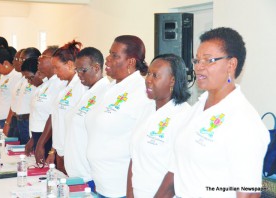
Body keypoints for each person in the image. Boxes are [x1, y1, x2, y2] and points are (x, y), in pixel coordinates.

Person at [155, 27, 270, 198]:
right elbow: (176, 170)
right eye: (197, 60)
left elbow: (248, 194)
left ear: (231, 64)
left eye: (208, 60)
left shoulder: (244, 121)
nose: (199, 67)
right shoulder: (196, 109)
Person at [85, 35, 152, 197]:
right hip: (100, 181)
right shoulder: (111, 87)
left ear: (130, 62)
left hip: (121, 186)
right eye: (109, 54)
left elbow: (142, 146)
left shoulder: (142, 92)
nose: (107, 59)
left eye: (115, 56)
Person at [127, 54, 191, 198]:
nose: (148, 80)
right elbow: (134, 159)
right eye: (148, 73)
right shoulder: (146, 109)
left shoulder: (184, 116)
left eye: (155, 75)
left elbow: (175, 175)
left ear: (172, 80)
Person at [64, 47, 110, 191]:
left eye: (82, 70)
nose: (78, 75)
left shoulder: (105, 93)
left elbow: (104, 138)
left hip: (90, 176)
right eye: (76, 70)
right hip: (76, 172)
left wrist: (97, 176)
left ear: (96, 68)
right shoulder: (88, 91)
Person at [45, 40, 87, 174]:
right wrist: (53, 151)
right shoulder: (65, 86)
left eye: (56, 67)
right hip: (61, 151)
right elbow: (57, 120)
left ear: (69, 65)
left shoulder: (81, 87)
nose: (54, 71)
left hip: (73, 153)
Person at [29, 47, 66, 163]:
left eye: (43, 56)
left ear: (53, 60)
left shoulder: (59, 83)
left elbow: (53, 115)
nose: (39, 58)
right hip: (38, 136)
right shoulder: (46, 83)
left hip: (47, 138)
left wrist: (41, 143)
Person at [0, 48, 21, 129]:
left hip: (9, 119)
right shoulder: (4, 77)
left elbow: (15, 101)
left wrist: (7, 122)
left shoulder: (16, 76)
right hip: (1, 118)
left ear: (6, 63)